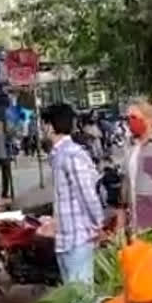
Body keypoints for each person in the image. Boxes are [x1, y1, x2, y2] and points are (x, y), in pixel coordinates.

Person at [44, 104, 104, 285]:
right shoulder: (58, 154)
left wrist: (98, 225)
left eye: (44, 124)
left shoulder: (72, 154)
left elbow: (87, 195)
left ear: (50, 126)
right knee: (74, 300)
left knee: (82, 301)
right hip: (64, 237)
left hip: (78, 238)